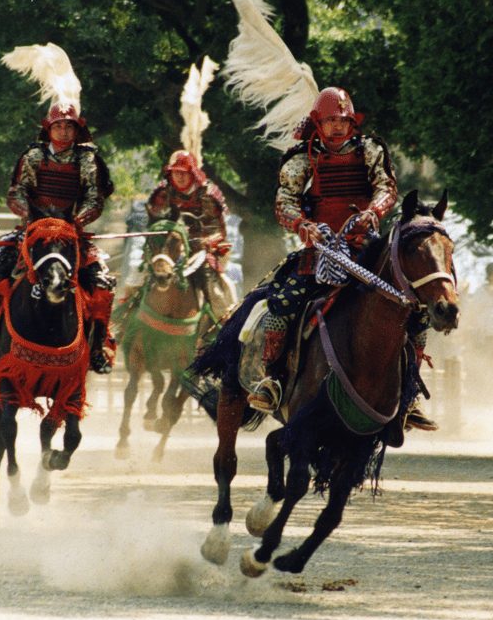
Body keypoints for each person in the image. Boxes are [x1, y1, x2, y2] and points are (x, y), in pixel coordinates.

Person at [0, 45, 116, 372]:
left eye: (69, 127)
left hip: (72, 232)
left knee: (101, 284)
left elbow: (93, 197)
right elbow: (17, 191)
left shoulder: (87, 159)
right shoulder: (33, 156)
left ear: (76, 130)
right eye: (58, 127)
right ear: (49, 128)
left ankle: (97, 348)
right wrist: (30, 216)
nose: (63, 131)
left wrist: (77, 219)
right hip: (33, 229)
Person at [249, 86, 400, 415]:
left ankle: (409, 390)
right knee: (281, 306)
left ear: (352, 122)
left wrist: (372, 212)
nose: (337, 126)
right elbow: (284, 201)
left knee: (411, 307)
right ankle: (273, 380)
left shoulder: (370, 150)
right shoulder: (301, 159)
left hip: (367, 249)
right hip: (320, 251)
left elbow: (386, 187)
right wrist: (303, 225)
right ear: (317, 121)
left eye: (342, 120)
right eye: (330, 120)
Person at [145, 149, 233, 312]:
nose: (179, 176)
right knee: (138, 274)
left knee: (214, 289)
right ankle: (125, 314)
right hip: (168, 246)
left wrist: (203, 241)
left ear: (192, 173)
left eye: (184, 172)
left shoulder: (207, 194)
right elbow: (155, 219)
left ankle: (221, 325)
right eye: (176, 172)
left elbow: (220, 231)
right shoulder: (163, 192)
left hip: (202, 250)